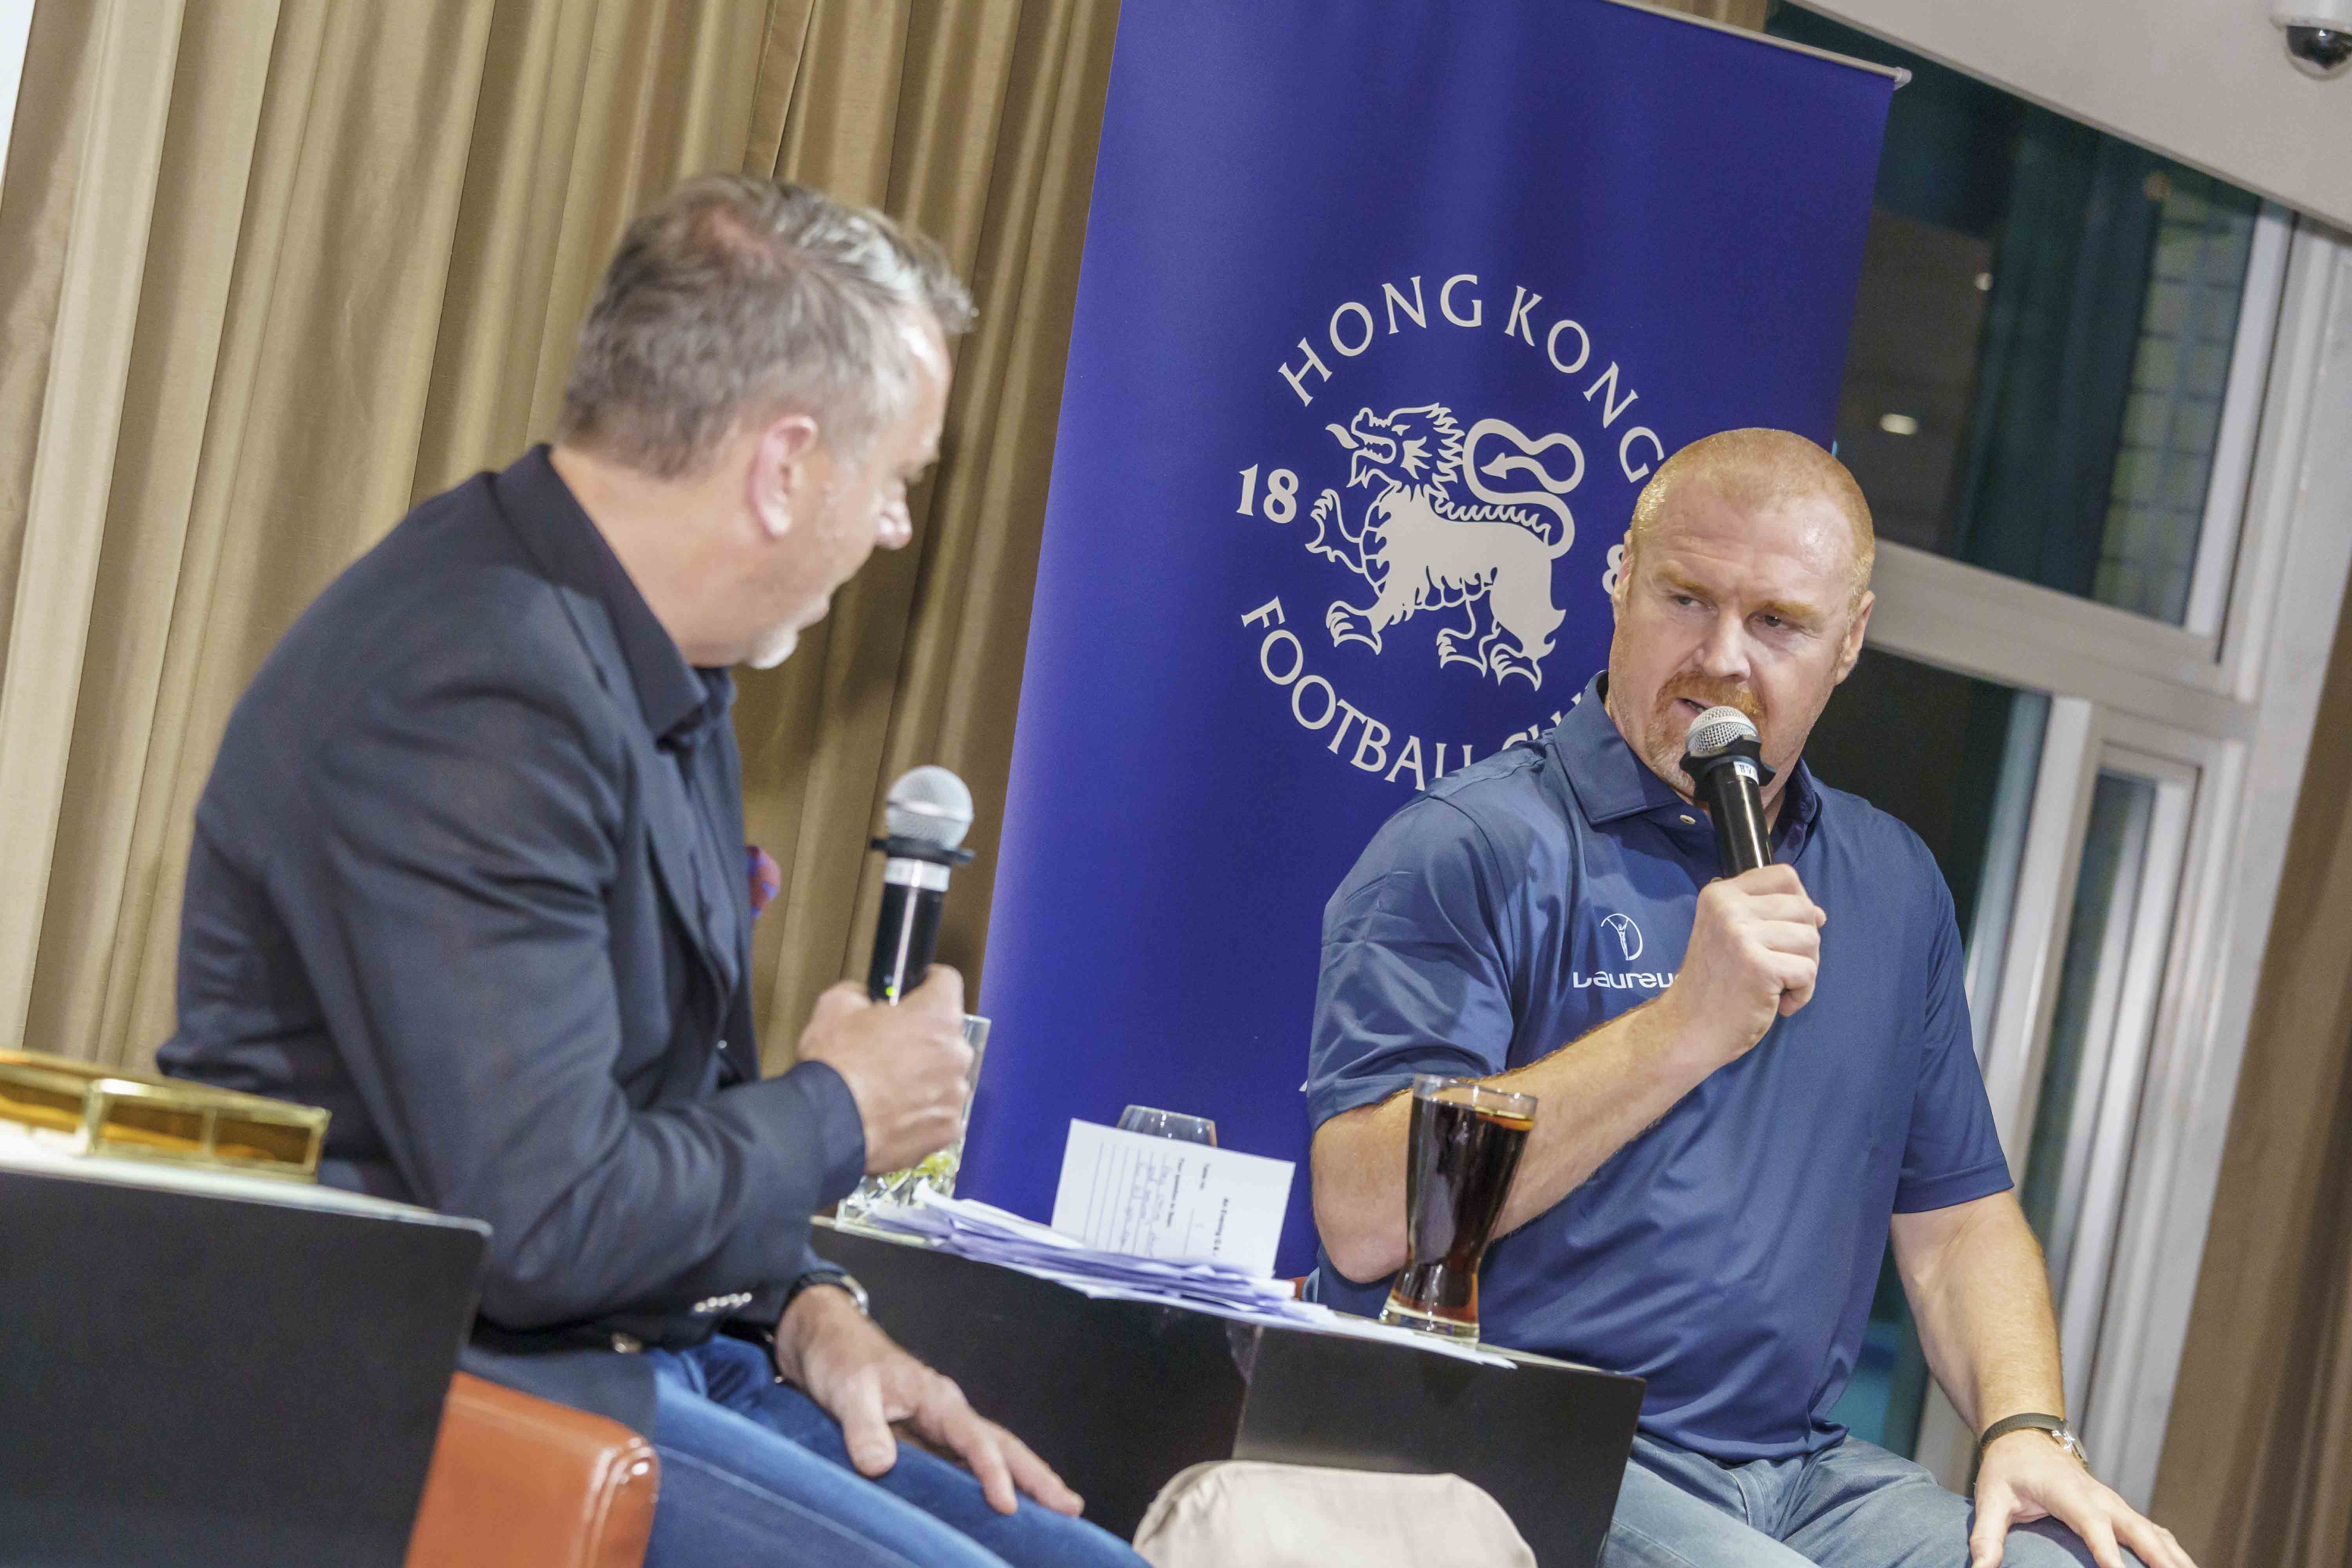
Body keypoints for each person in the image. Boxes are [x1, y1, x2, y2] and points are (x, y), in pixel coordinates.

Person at [160, 176, 1142, 1568]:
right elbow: (546, 1221)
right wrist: (846, 1110)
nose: (894, 528)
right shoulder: (476, 686)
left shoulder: (653, 663)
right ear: (785, 466)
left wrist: (810, 1311)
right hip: (413, 1377)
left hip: (640, 1344)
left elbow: (654, 1119)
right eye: (896, 480)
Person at [1305, 429, 2192, 1568]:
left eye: (1778, 623)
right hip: (1515, 1428)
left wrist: (2027, 1427)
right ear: (1621, 580)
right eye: (1686, 598)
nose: (1722, 657)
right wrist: (1681, 1029)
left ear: (1851, 641)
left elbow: (1959, 1222)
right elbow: (1364, 1217)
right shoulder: (1471, 846)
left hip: (1801, 1471)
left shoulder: (1893, 881)